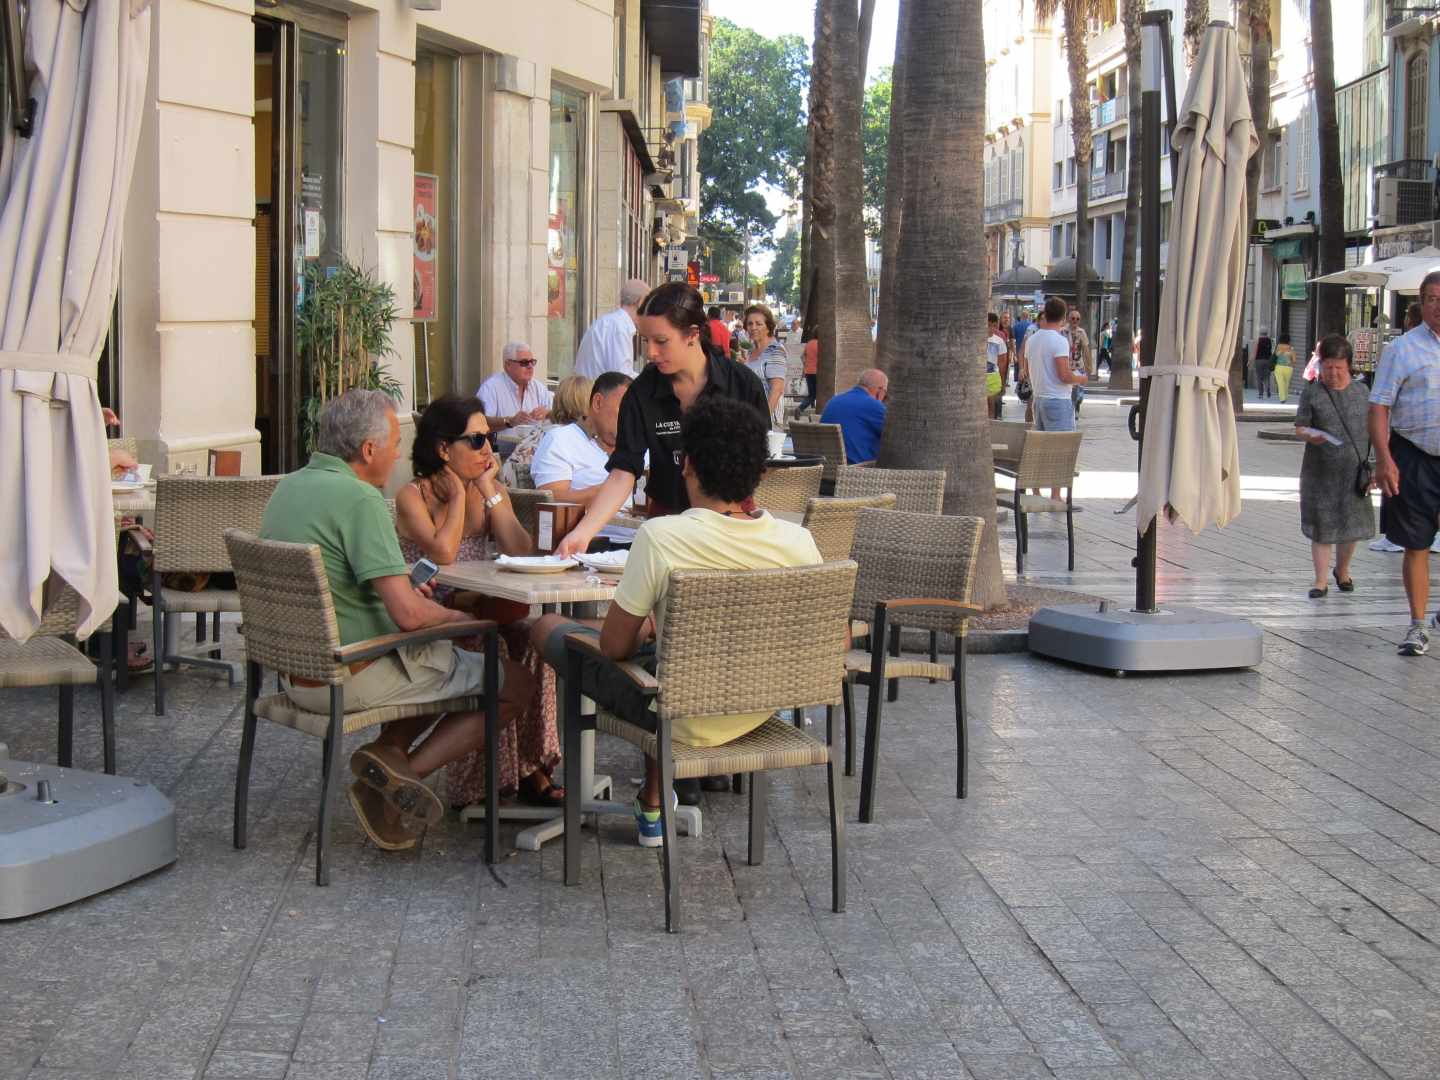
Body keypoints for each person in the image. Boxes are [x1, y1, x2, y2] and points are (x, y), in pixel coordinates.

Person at [531, 396, 822, 846]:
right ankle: (652, 801)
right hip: (757, 708)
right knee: (666, 654)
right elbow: (832, 640)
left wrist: (643, 623)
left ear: (686, 465)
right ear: (759, 473)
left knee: (549, 629)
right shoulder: (798, 542)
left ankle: (585, 785)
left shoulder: (662, 537)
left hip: (679, 717)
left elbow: (613, 650)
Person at [259, 389, 533, 850]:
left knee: (446, 658)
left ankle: (388, 760)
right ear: (368, 450)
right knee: (512, 680)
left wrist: (403, 579)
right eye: (391, 444)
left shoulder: (288, 486)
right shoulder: (360, 499)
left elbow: (342, 572)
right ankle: (395, 780)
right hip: (352, 673)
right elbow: (408, 614)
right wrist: (464, 618)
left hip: (295, 675)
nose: (396, 455)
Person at [395, 394, 565, 808]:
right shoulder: (412, 496)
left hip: (484, 604)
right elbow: (443, 554)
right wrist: (456, 497)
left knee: (536, 642)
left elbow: (521, 551)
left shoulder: (488, 490)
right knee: (495, 647)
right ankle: (484, 782)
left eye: (488, 438)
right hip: (436, 616)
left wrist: (490, 492)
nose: (488, 449)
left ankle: (532, 766)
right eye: (475, 441)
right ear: (442, 448)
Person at [553, 282, 770, 556]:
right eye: (645, 341)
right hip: (668, 522)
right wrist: (583, 533)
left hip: (734, 522)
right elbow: (623, 472)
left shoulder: (741, 384)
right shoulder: (642, 392)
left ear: (692, 334)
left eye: (661, 341)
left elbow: (762, 462)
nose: (650, 353)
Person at [1369, 269, 1440, 655]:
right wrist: (1384, 459)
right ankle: (1417, 625)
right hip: (1414, 454)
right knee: (1417, 544)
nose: (1439, 306)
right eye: (1432, 299)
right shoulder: (1402, 349)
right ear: (1422, 303)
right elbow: (1379, 405)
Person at [1294, 335, 1375, 599]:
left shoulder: (1363, 393)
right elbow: (1300, 426)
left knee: (1350, 526)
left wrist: (1373, 466)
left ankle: (1343, 570)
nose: (1333, 373)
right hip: (1321, 472)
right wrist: (1309, 435)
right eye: (1328, 367)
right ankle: (1320, 581)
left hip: (1354, 472)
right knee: (1323, 525)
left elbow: (1375, 431)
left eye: (1339, 367)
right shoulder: (1312, 392)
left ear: (1349, 366)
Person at [531, 371, 640, 548]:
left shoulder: (637, 445)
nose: (631, 419)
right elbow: (550, 500)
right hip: (592, 544)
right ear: (597, 403)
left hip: (641, 540)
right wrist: (610, 491)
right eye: (625, 410)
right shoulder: (561, 440)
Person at [1023, 296, 1086, 434]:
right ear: (1063, 318)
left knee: (1045, 451)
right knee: (1061, 449)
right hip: (1058, 400)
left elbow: (1027, 370)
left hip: (1038, 400)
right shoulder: (1059, 341)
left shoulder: (1031, 340)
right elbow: (1064, 376)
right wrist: (1081, 379)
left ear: (1045, 314)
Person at [574, 278, 649, 379]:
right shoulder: (619, 328)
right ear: (641, 302)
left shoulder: (611, 322)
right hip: (594, 391)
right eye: (649, 303)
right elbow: (621, 379)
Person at [476, 342, 553, 433]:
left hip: (534, 446)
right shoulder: (491, 388)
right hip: (501, 447)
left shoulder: (539, 388)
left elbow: (559, 416)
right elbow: (479, 422)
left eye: (532, 362)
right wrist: (510, 421)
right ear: (508, 365)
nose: (530, 366)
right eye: (524, 362)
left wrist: (547, 413)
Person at [820, 368, 888, 464]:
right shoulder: (873, 405)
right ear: (879, 390)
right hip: (857, 468)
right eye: (885, 394)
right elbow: (893, 436)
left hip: (826, 465)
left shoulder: (833, 401)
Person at [743, 303, 788, 425]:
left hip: (768, 422)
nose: (753, 327)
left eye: (759, 324)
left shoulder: (775, 350)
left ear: (768, 327)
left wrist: (763, 421)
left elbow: (777, 389)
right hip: (749, 419)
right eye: (750, 324)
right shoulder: (751, 352)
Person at [1065, 307, 1093, 417]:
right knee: (1070, 389)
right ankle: (1070, 410)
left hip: (1078, 366)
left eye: (1077, 319)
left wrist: (1089, 366)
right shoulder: (1063, 331)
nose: (1075, 321)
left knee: (1079, 392)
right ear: (1068, 319)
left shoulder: (1082, 332)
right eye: (1073, 318)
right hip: (1067, 366)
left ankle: (1076, 406)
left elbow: (1086, 349)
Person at [986, 313, 1007, 420]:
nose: (991, 328)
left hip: (993, 376)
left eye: (994, 325)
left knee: (991, 404)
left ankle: (992, 423)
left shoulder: (999, 341)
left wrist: (1003, 383)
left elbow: (1002, 363)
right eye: (989, 325)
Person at [800, 328, 819, 412]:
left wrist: (806, 364)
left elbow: (802, 356)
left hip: (808, 371)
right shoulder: (821, 344)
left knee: (812, 392)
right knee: (814, 395)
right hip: (818, 372)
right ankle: (800, 408)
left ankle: (813, 407)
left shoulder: (809, 343)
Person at [1273, 334, 1296, 402]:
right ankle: (1285, 397)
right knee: (1286, 383)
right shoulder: (1291, 348)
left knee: (1280, 383)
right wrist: (1292, 364)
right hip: (1288, 368)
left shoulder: (1278, 347)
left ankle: (1282, 398)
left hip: (1279, 367)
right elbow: (1294, 360)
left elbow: (1275, 355)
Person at [1253, 329, 1275, 398]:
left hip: (1258, 360)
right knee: (1267, 377)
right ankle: (1268, 389)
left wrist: (1251, 361)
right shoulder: (1269, 341)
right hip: (1267, 360)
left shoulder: (1258, 340)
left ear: (1260, 333)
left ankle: (1261, 394)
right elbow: (1271, 350)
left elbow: (1255, 351)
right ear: (1266, 333)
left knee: (1259, 377)